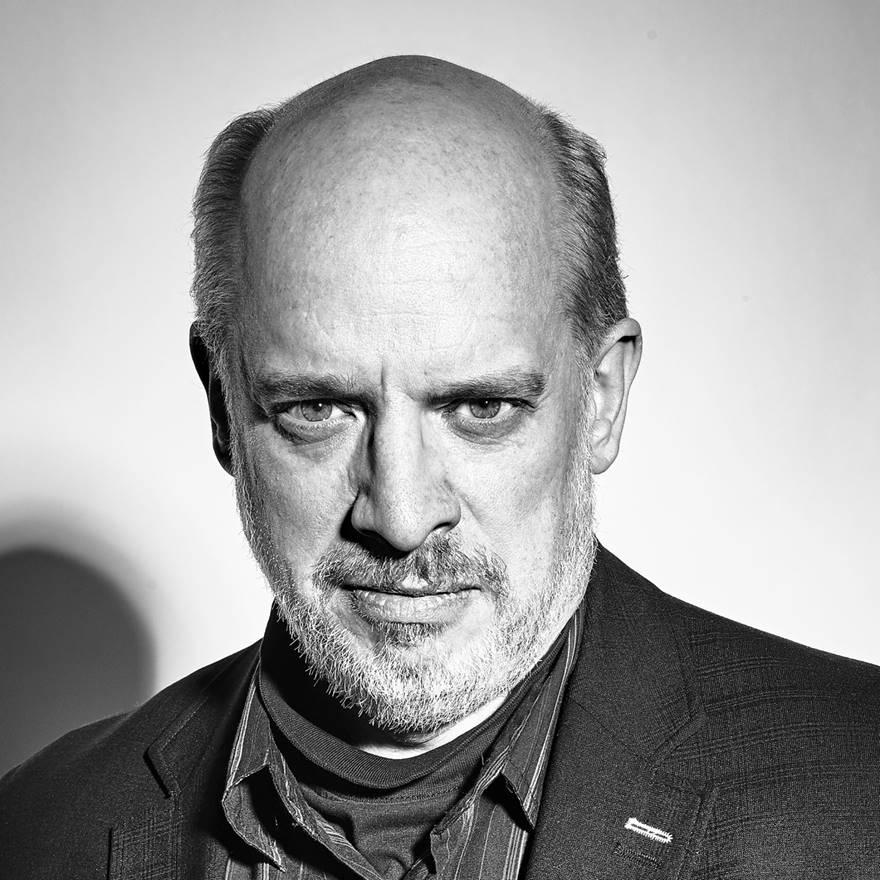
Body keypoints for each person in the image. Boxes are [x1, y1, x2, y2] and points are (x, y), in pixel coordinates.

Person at [1, 54, 878, 879]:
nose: (400, 515)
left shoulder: (858, 786)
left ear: (602, 398)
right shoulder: (38, 829)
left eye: (479, 408)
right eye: (318, 409)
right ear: (223, 405)